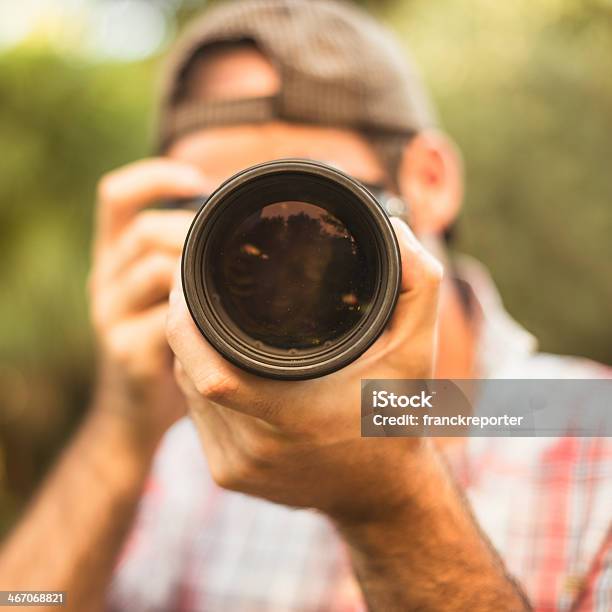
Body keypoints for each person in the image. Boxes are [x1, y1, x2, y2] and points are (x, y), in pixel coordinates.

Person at [0, 1, 610, 610]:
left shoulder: (585, 432)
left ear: (428, 181)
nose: (277, 261)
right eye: (222, 225)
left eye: (316, 206)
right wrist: (119, 436)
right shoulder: (186, 453)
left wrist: (392, 504)